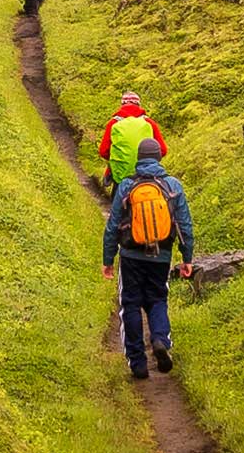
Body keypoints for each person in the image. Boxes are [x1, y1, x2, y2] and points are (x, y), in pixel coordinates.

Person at [102, 138, 195, 380]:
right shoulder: (172, 185)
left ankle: (137, 363)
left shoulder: (126, 186)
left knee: (130, 304)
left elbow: (112, 225)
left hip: (131, 255)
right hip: (161, 256)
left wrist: (108, 259)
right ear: (159, 158)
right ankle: (160, 340)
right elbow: (184, 225)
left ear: (139, 159)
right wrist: (187, 258)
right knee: (157, 299)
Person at [99, 91, 167, 190]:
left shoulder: (113, 123)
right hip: (147, 175)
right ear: (139, 105)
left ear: (122, 105)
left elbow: (103, 151)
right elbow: (163, 150)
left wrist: (118, 158)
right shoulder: (149, 123)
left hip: (121, 174)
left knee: (117, 203)